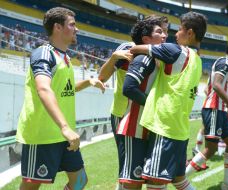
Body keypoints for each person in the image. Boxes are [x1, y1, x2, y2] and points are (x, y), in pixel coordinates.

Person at [16, 7, 105, 190]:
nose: (77, 29)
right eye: (72, 24)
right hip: (42, 136)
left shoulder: (64, 57)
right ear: (57, 27)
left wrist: (88, 81)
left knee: (79, 181)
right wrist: (64, 127)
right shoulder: (43, 53)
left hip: (64, 136)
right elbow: (43, 88)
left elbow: (66, 89)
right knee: (31, 186)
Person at [130, 11, 207, 190]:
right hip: (180, 129)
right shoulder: (198, 60)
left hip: (164, 127)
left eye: (179, 29)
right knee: (180, 181)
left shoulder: (176, 50)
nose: (174, 34)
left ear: (190, 33)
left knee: (154, 182)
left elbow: (138, 48)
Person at [99, 15, 168, 190]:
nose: (165, 34)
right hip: (124, 113)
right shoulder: (129, 49)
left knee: (140, 166)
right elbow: (102, 77)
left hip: (147, 115)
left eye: (166, 30)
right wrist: (114, 57)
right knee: (128, 166)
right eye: (161, 30)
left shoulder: (160, 53)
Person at [185, 40, 228, 190]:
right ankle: (181, 177)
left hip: (220, 110)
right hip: (213, 109)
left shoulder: (225, 65)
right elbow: (217, 85)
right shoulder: (223, 63)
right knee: (211, 149)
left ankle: (226, 185)